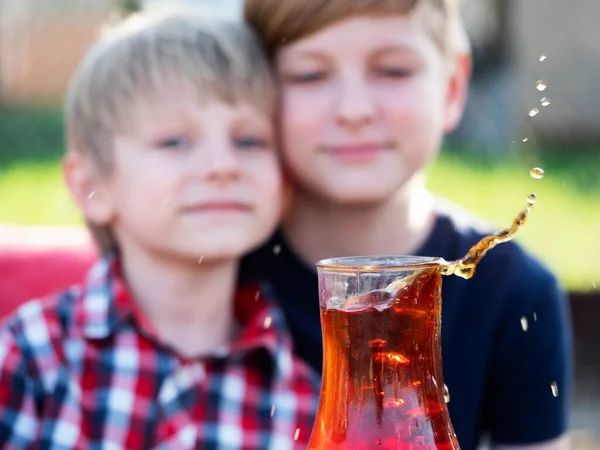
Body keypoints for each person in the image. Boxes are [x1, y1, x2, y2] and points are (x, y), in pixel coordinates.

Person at [240, 0, 573, 449]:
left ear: (452, 87)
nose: (354, 110)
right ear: (259, 93)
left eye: (393, 71)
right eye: (310, 75)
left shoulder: (513, 290)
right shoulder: (221, 274)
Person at [0, 9, 318, 448]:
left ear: (284, 183)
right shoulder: (30, 358)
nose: (223, 166)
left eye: (249, 141)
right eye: (174, 141)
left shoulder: (307, 395)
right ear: (93, 187)